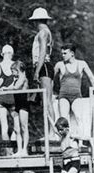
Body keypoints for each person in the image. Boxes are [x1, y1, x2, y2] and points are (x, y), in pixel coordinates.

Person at [54, 43, 94, 136]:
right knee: (63, 120)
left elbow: (92, 78)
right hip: (63, 95)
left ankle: (80, 142)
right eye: (62, 53)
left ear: (72, 53)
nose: (62, 56)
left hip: (76, 95)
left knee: (79, 117)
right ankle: (65, 143)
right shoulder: (59, 65)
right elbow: (51, 80)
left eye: (65, 53)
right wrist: (51, 94)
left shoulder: (81, 64)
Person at [29, 7, 57, 135]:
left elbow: (42, 53)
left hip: (43, 66)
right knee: (47, 101)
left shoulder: (43, 33)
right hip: (45, 66)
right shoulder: (46, 32)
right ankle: (51, 131)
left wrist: (37, 71)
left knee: (47, 101)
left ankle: (52, 132)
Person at [0, 60, 31, 156]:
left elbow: (16, 87)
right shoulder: (16, 78)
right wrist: (2, 89)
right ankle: (19, 150)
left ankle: (25, 149)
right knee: (16, 128)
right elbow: (11, 86)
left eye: (13, 71)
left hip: (23, 104)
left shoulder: (23, 77)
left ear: (17, 70)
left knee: (24, 127)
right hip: (17, 104)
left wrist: (7, 89)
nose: (12, 73)